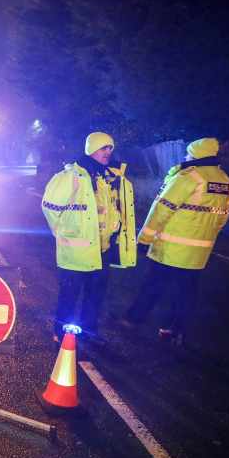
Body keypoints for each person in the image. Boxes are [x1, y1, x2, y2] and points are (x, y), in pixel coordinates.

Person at [123, 137, 229, 347]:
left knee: (153, 285)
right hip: (199, 251)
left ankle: (132, 320)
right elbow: (221, 218)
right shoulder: (227, 183)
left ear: (196, 155)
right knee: (186, 293)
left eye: (189, 153)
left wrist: (145, 238)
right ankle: (176, 330)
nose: (185, 156)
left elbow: (161, 209)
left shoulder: (188, 177)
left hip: (171, 247)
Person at [41, 131, 137, 348]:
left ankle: (89, 332)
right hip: (76, 251)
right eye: (104, 147)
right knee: (69, 296)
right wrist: (62, 231)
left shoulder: (112, 178)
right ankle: (60, 333)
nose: (108, 152)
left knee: (95, 297)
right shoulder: (71, 177)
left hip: (102, 250)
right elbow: (49, 208)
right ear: (91, 149)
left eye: (111, 148)